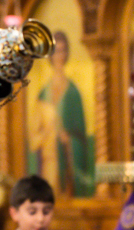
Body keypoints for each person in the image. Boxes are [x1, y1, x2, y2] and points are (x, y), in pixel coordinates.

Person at [29, 31, 92, 197]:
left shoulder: (73, 92)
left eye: (63, 50)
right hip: (48, 161)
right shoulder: (43, 94)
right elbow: (34, 138)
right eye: (56, 50)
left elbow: (81, 134)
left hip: (68, 161)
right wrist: (48, 132)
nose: (59, 55)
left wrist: (69, 139)